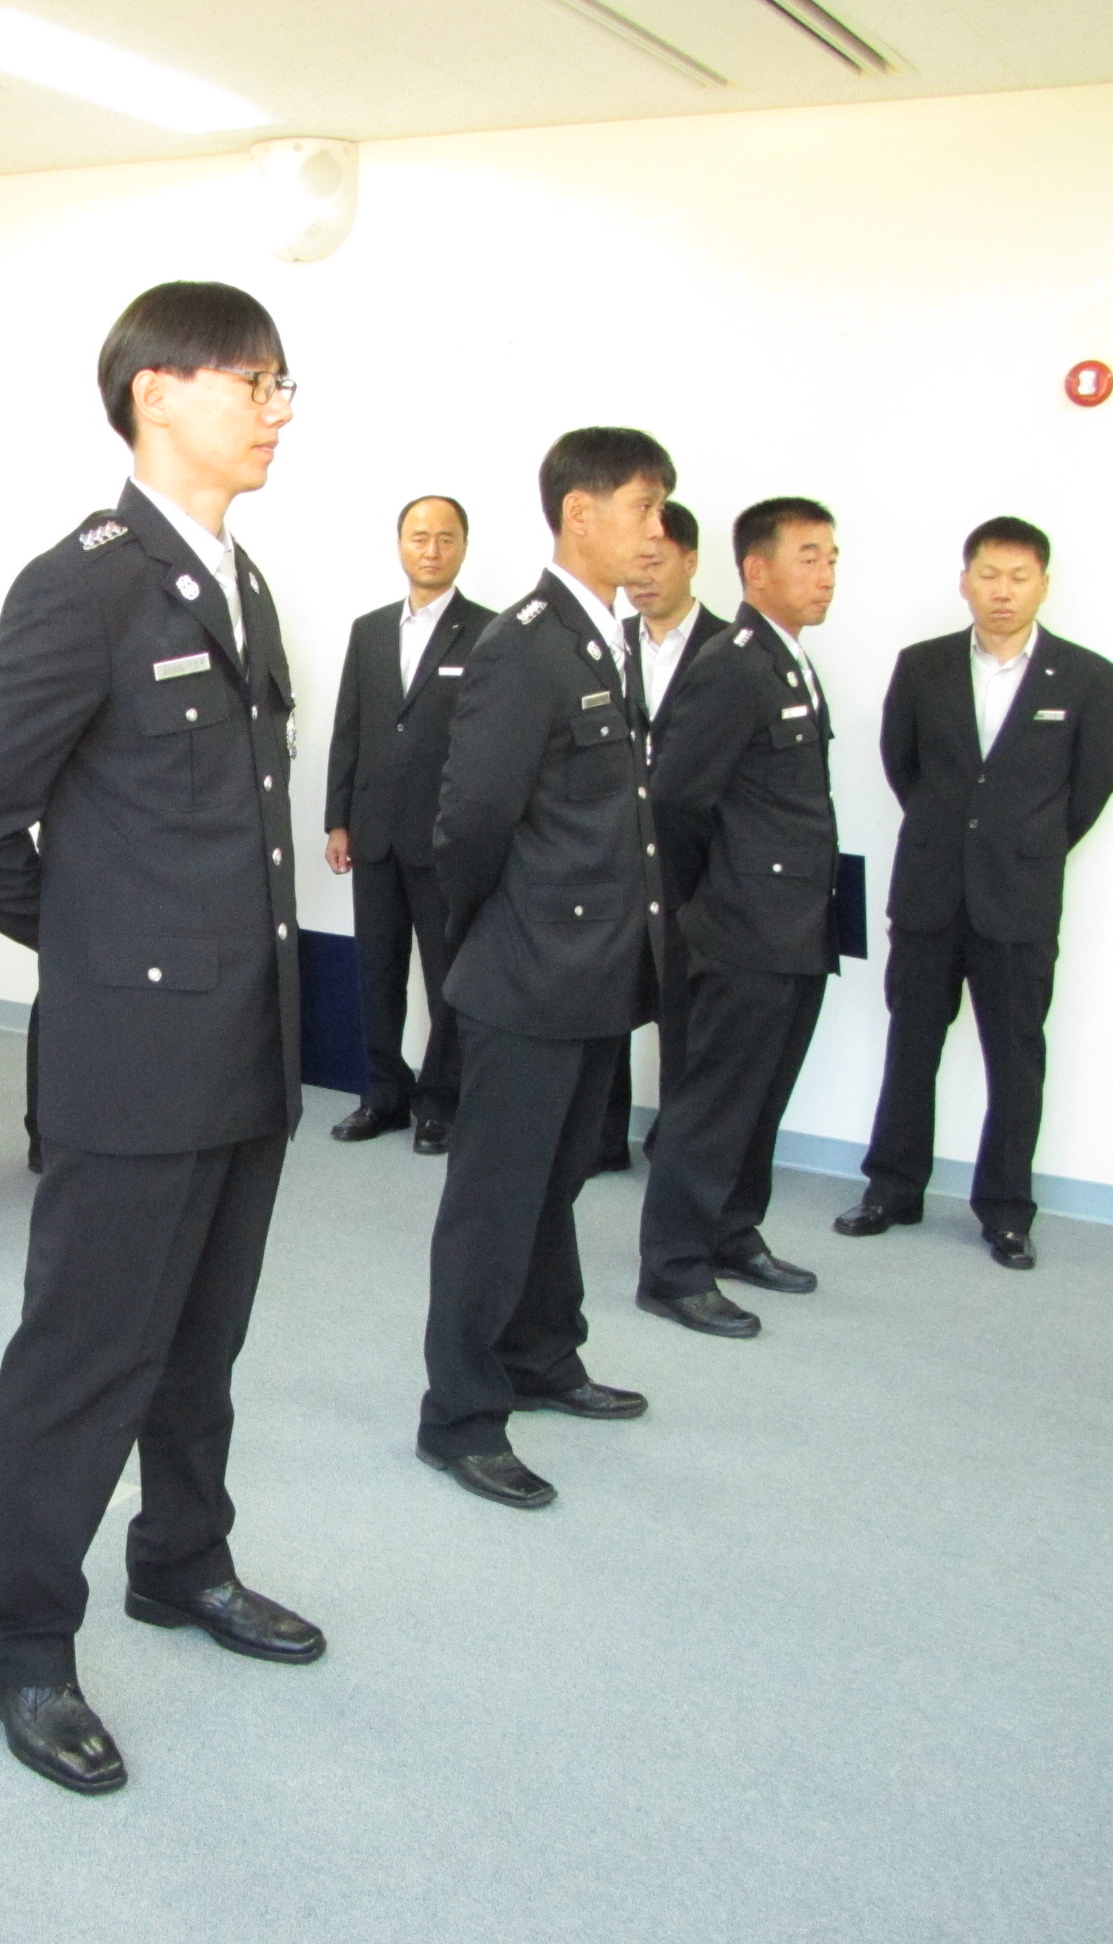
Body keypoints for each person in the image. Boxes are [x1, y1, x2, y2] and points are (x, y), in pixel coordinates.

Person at [0, 281, 321, 1796]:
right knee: (87, 1357)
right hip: (135, 1057)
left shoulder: (240, 579)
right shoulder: (82, 585)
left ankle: (182, 1562)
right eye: (252, 383)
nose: (276, 411)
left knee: (204, 1344)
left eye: (283, 387)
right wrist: (100, 961)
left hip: (247, 1042)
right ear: (157, 392)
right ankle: (24, 1642)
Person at [418, 427, 669, 1513]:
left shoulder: (605, 634)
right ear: (580, 512)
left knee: (558, 1182)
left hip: (595, 967)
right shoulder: (526, 645)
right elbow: (471, 819)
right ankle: (460, 1415)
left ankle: (540, 1353)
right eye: (643, 508)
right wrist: (493, 934)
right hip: (529, 969)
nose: (657, 532)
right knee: (496, 1200)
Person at [837, 517, 1113, 1269]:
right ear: (965, 580)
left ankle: (1006, 1211)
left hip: (1019, 899)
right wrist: (951, 836)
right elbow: (902, 764)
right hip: (930, 891)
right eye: (989, 575)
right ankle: (892, 1189)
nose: (1002, 591)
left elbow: (1091, 788)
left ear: (1043, 585)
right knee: (911, 1046)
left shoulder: (1085, 676)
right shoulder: (922, 665)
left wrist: (1024, 846)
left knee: (1016, 1059)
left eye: (1019, 577)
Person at [636, 498, 843, 1340]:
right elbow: (675, 802)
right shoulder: (734, 665)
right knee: (713, 1103)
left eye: (832, 558)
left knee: (762, 1098)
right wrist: (705, 907)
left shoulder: (788, 660)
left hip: (798, 924)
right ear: (756, 569)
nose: (826, 574)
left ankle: (731, 1229)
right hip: (741, 928)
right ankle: (674, 1267)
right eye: (808, 557)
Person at [323, 495, 496, 1154]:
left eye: (445, 538)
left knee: (446, 979)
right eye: (419, 537)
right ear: (400, 544)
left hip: (444, 840)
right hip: (372, 833)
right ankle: (383, 1095)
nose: (431, 549)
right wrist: (337, 820)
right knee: (377, 971)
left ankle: (439, 1103)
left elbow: (490, 747)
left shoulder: (489, 633)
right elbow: (350, 728)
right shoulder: (369, 630)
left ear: (463, 546)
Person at [598, 499, 727, 1171]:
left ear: (691, 561)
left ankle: (677, 1144)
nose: (642, 577)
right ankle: (600, 1138)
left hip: (694, 867)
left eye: (657, 562)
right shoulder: (605, 641)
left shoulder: (730, 649)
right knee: (604, 1002)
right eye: (636, 563)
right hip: (612, 860)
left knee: (685, 1013)